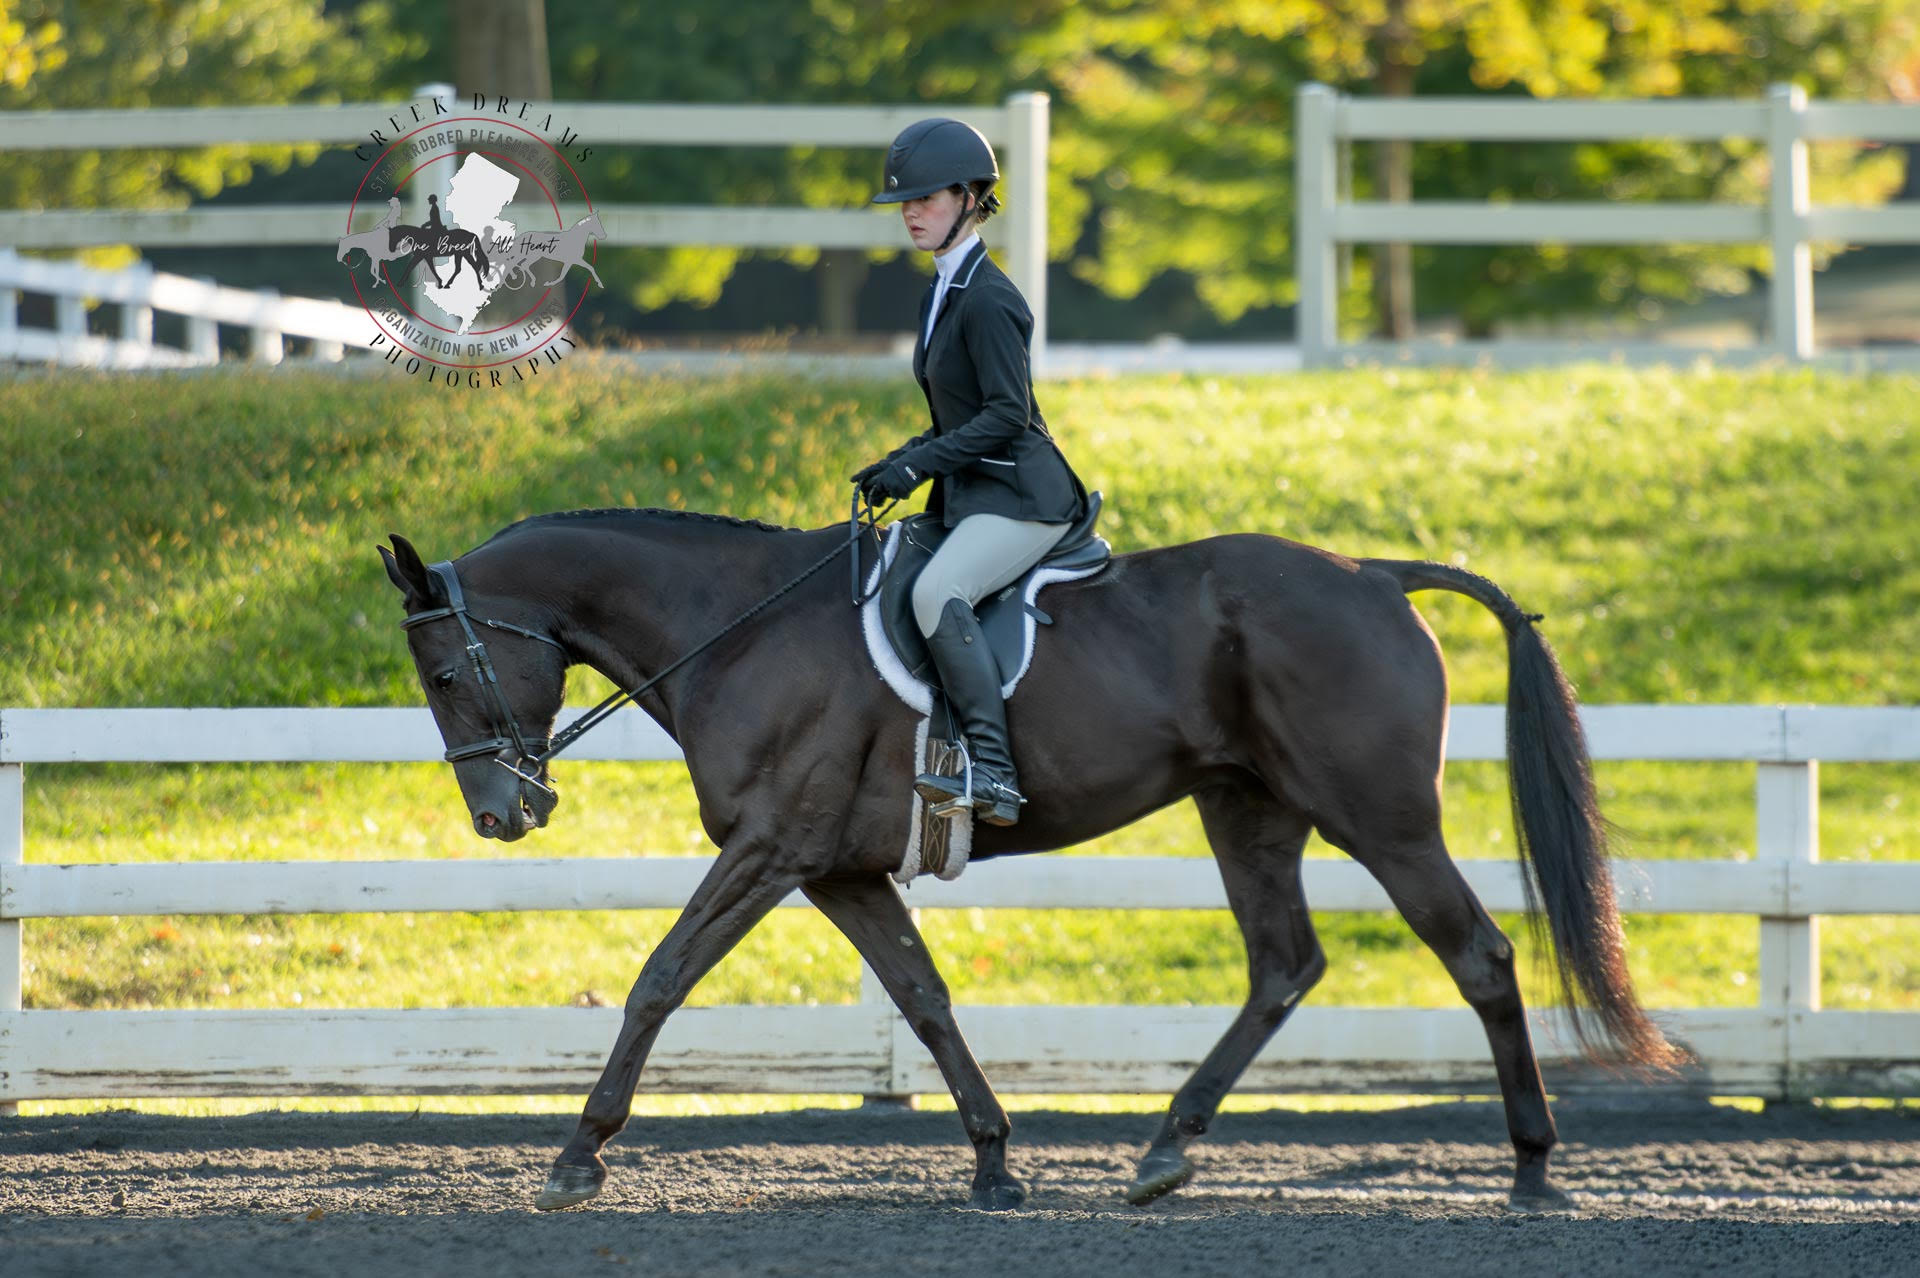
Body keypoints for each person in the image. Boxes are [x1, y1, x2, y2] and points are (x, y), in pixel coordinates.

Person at [854, 118, 1090, 828]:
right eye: (906, 202)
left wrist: (921, 464)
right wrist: (902, 460)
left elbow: (1007, 415)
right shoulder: (943, 291)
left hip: (1023, 496)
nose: (912, 212)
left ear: (970, 197)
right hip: (975, 492)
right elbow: (958, 412)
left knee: (937, 592)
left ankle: (993, 771)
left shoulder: (989, 298)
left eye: (927, 198)